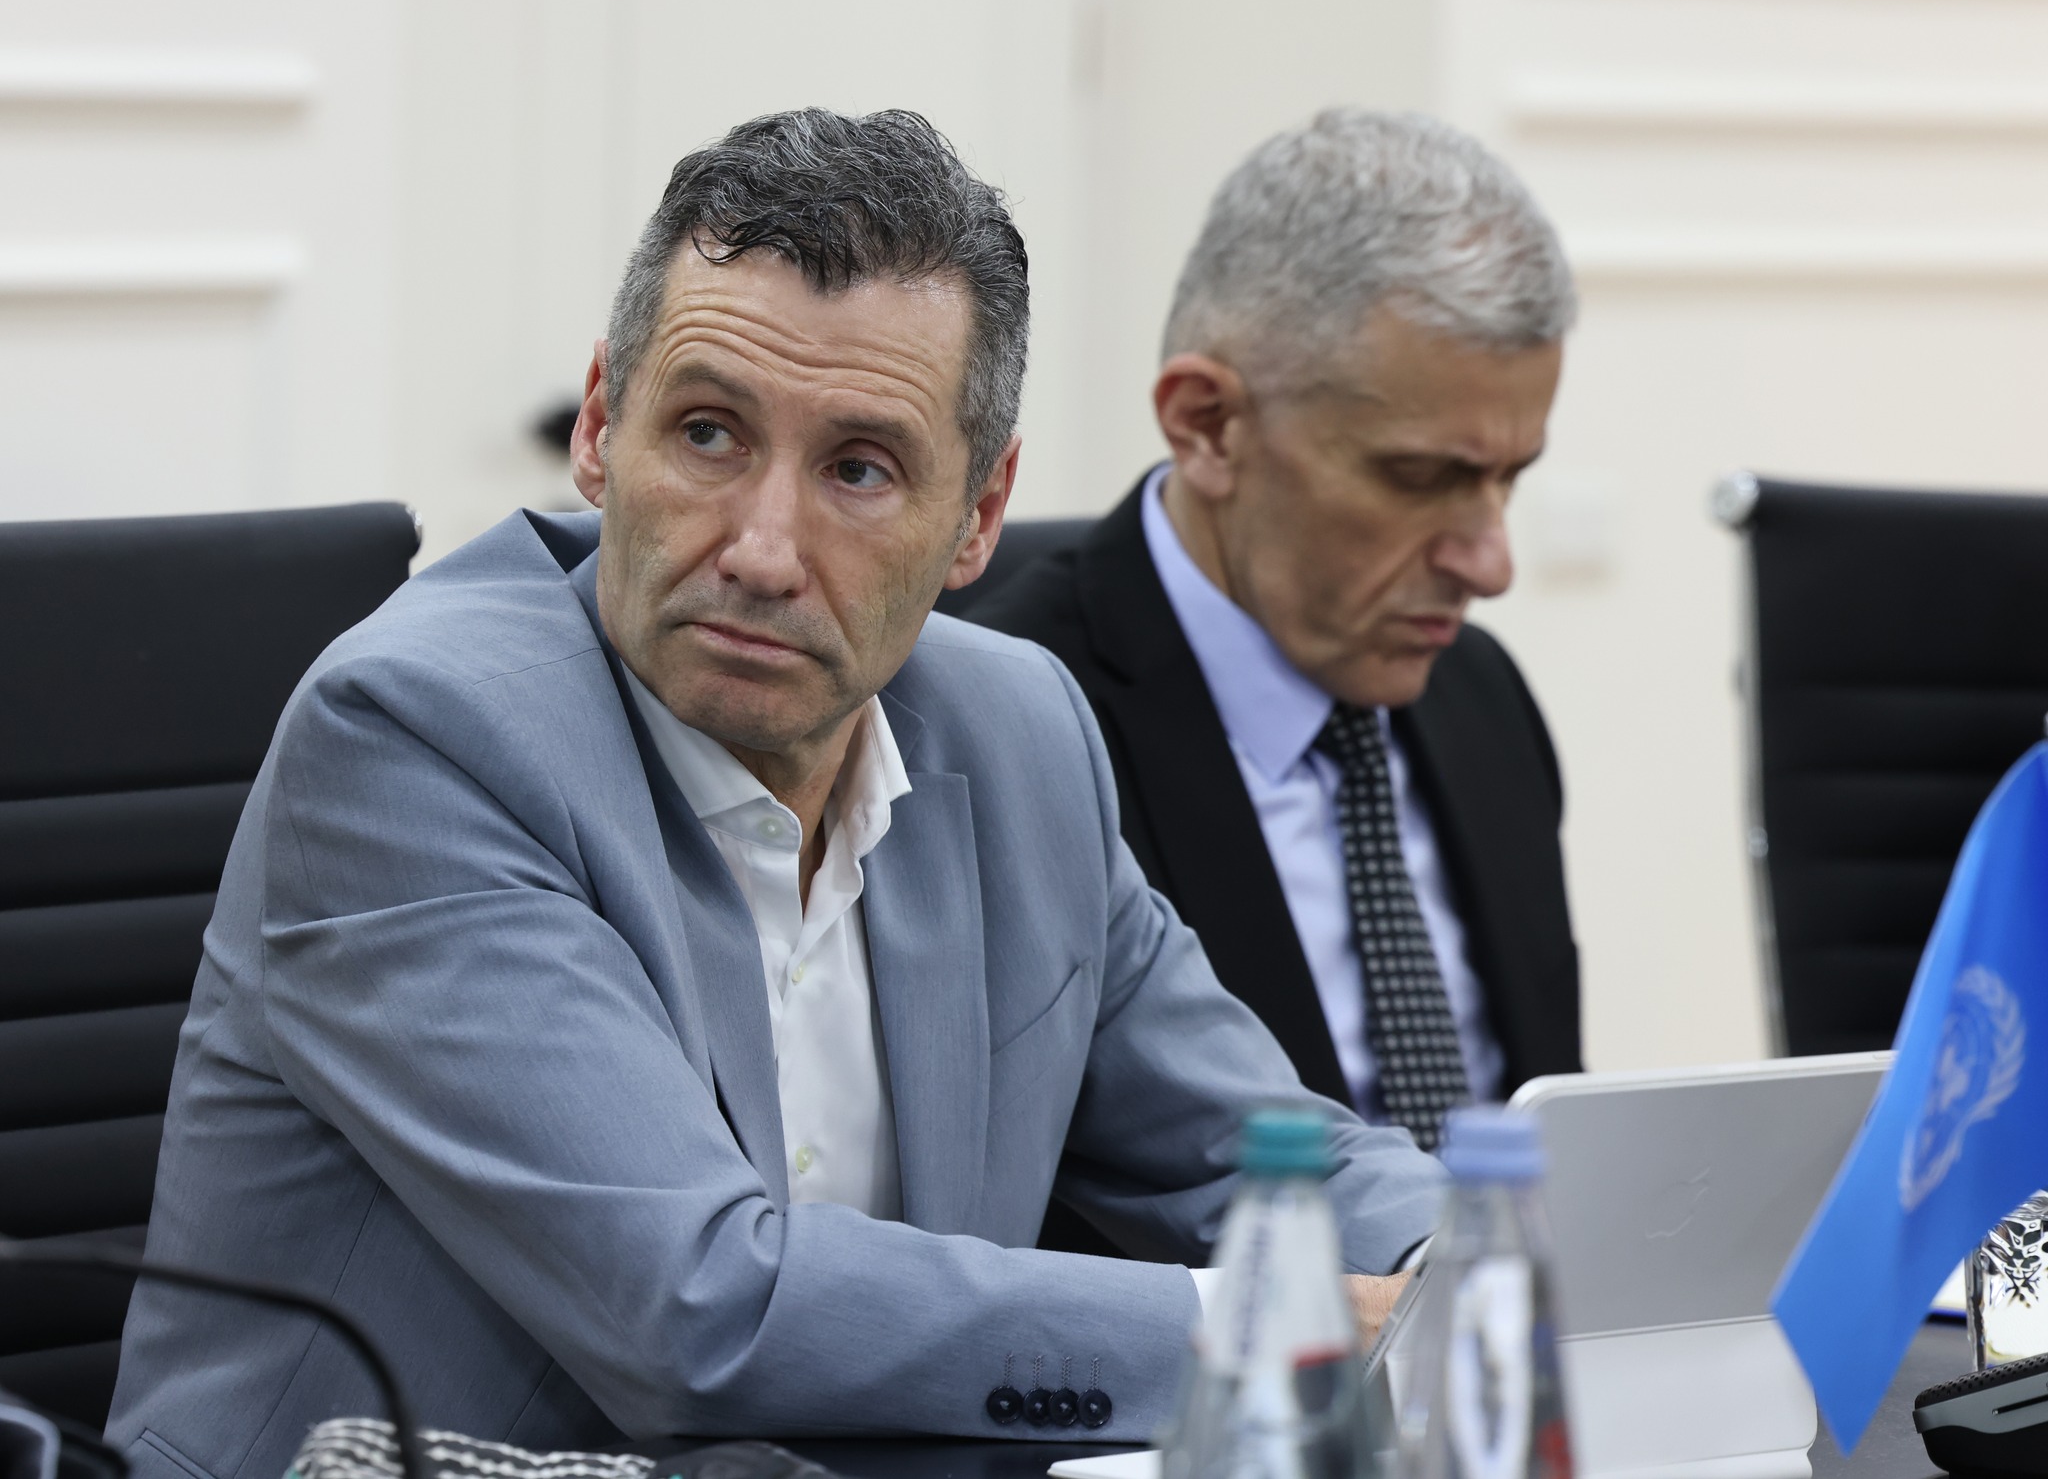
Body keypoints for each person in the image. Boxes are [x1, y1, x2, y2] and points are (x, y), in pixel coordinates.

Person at [106, 109, 1443, 1479]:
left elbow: (1257, 1155)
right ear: (600, 427)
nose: (759, 549)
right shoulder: (416, 738)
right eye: (707, 433)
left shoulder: (1021, 734)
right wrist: (1276, 1329)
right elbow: (694, 1305)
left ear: (979, 514)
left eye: (858, 468)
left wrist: (1479, 1270)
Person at [973, 111, 1582, 1203]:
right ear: (1207, 424)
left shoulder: (1481, 698)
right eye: (1419, 478)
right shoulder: (1000, 728)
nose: (1490, 563)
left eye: (1508, 479)